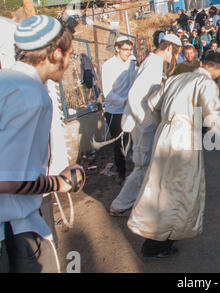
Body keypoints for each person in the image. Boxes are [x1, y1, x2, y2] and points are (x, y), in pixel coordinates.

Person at [127, 53, 220, 258]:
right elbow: (215, 121)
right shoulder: (206, 83)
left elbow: (152, 103)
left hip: (164, 134)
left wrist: (160, 124)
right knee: (179, 192)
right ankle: (157, 244)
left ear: (201, 64)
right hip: (183, 139)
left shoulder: (175, 78)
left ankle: (155, 238)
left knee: (160, 187)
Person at [0, 15, 85, 273]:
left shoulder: (8, 81)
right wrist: (60, 183)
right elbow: (6, 181)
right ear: (56, 54)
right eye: (70, 54)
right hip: (14, 234)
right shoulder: (31, 95)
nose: (70, 63)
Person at [109, 35, 182, 216]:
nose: (173, 59)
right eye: (174, 54)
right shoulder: (154, 64)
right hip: (143, 124)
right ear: (169, 48)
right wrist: (147, 124)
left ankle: (138, 202)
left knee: (145, 165)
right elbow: (135, 96)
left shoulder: (152, 61)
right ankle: (120, 205)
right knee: (143, 166)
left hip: (143, 122)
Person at [101, 36, 135, 185]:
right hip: (114, 110)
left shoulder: (131, 63)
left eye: (130, 49)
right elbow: (107, 92)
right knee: (120, 142)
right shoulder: (108, 66)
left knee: (132, 139)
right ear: (117, 48)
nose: (128, 53)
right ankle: (121, 172)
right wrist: (123, 101)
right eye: (125, 49)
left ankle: (135, 171)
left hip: (129, 108)